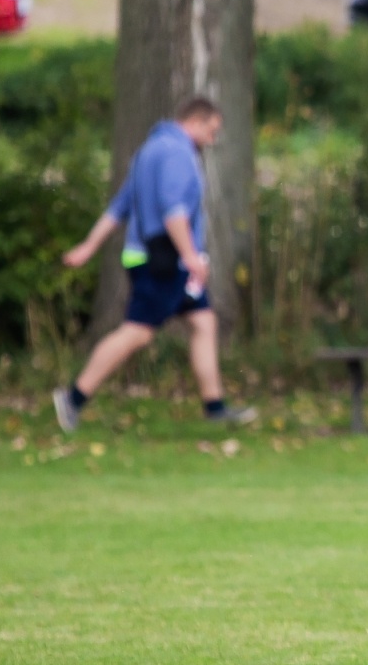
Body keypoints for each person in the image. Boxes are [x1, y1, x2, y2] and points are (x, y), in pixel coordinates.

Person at [54, 96, 255, 432]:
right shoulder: (177, 154)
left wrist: (89, 247)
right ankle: (73, 399)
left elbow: (119, 206)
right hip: (162, 260)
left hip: (151, 256)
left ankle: (215, 406)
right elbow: (173, 210)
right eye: (212, 130)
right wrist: (191, 257)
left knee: (203, 322)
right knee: (137, 333)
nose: (213, 139)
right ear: (195, 121)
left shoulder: (147, 151)